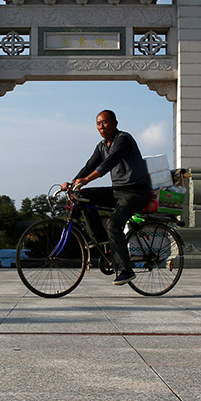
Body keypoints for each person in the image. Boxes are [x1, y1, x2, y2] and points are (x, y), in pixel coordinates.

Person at [63, 109, 153, 285]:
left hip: (135, 192)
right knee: (81, 195)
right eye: (98, 123)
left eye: (104, 122)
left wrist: (87, 179)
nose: (101, 126)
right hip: (118, 191)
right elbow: (89, 166)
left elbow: (109, 162)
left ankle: (126, 270)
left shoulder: (123, 139)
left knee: (113, 224)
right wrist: (73, 182)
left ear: (115, 123)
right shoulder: (101, 146)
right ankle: (103, 242)